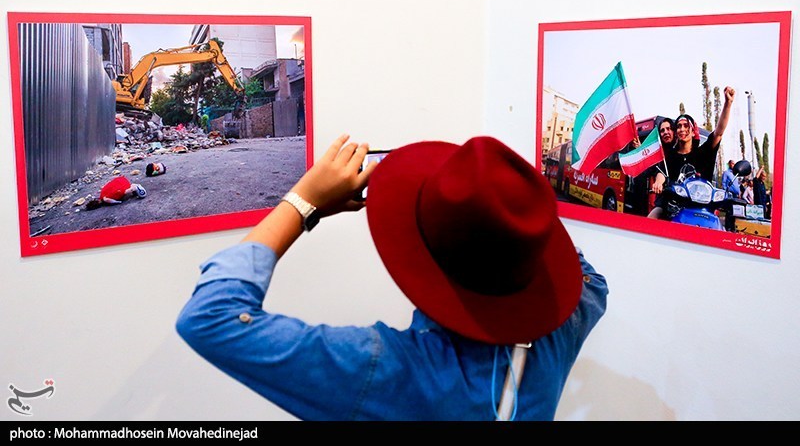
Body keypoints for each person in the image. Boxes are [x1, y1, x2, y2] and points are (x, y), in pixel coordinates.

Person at [176, 134, 608, 421]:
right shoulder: (565, 326)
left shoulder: (390, 370)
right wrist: (504, 197)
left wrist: (304, 201)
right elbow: (589, 279)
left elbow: (210, 319)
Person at [651, 87, 736, 208]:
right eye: (679, 126)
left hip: (702, 209)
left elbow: (718, 133)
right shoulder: (670, 156)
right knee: (654, 215)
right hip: (674, 209)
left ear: (692, 131)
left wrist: (728, 103)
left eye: (686, 126)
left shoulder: (703, 152)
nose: (682, 129)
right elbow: (662, 173)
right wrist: (658, 182)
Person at [646, 117, 676, 219]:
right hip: (664, 203)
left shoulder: (680, 150)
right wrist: (658, 182)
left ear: (674, 131)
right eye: (662, 130)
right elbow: (660, 171)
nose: (665, 132)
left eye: (668, 129)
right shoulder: (659, 153)